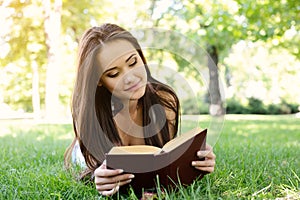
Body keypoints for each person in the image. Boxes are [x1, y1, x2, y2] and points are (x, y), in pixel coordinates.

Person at [64, 23, 216, 197]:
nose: (130, 78)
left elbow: (165, 160)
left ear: (141, 57)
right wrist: (96, 176)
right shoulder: (94, 119)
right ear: (98, 80)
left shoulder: (165, 102)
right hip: (82, 154)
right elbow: (94, 170)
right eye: (113, 74)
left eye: (133, 62)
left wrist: (199, 161)